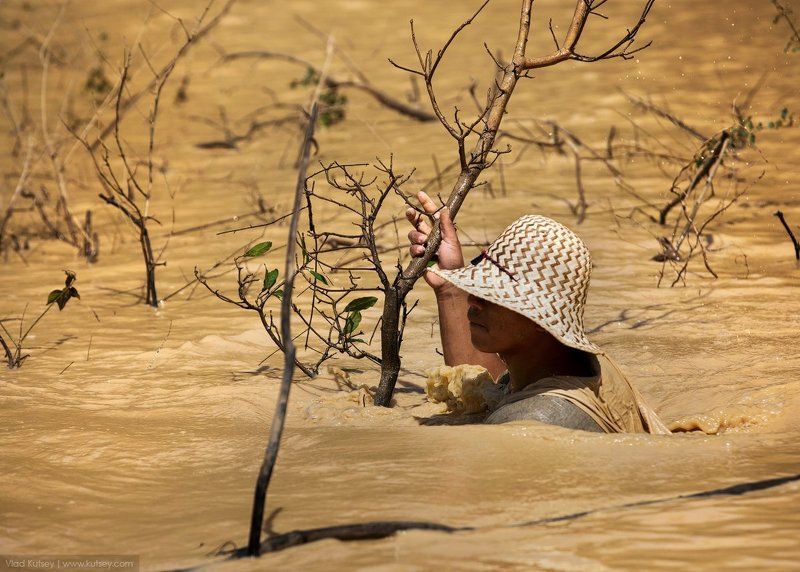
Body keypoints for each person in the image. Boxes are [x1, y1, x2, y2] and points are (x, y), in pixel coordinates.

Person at [406, 191, 670, 434]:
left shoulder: (530, 421)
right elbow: (488, 387)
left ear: (541, 319)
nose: (474, 300)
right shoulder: (585, 367)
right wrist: (450, 288)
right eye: (479, 287)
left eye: (494, 295)